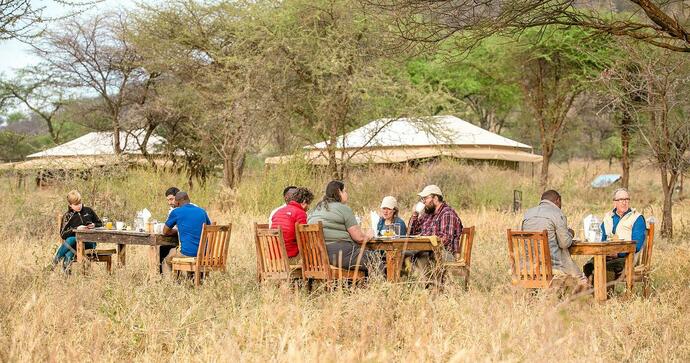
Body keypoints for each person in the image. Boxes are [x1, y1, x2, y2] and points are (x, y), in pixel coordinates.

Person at [307, 180, 382, 274]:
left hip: (316, 256)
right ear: (339, 192)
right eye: (345, 191)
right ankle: (382, 287)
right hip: (338, 254)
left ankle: (355, 286)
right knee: (375, 258)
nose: (347, 194)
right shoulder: (343, 208)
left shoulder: (315, 210)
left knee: (364, 255)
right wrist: (369, 235)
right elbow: (359, 238)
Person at [522, 190, 588, 287]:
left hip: (529, 264)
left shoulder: (527, 214)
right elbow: (564, 243)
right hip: (552, 264)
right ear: (558, 200)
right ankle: (585, 298)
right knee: (581, 279)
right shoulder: (557, 213)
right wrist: (570, 233)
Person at [583, 188, 646, 281]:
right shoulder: (608, 217)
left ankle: (606, 295)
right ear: (615, 203)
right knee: (589, 266)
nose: (624, 202)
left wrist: (618, 254)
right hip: (606, 255)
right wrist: (606, 252)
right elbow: (601, 238)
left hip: (627, 258)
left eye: (626, 199)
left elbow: (637, 245)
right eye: (621, 200)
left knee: (606, 267)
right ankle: (594, 293)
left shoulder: (637, 218)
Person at [407, 185, 463, 261]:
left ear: (436, 198)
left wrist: (424, 238)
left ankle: (418, 271)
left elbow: (445, 240)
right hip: (426, 250)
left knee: (418, 258)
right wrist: (415, 214)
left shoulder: (447, 213)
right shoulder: (427, 215)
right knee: (403, 254)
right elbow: (411, 233)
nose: (423, 202)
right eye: (422, 199)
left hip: (444, 253)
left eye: (426, 198)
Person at [162, 191, 211, 275]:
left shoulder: (176, 212)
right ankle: (190, 279)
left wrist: (178, 230)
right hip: (204, 253)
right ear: (188, 199)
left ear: (177, 202)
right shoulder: (202, 211)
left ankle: (169, 284)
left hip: (187, 253)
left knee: (167, 259)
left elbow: (165, 231)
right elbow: (209, 229)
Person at [52, 190, 102, 271]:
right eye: (75, 204)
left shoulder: (88, 211)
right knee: (69, 253)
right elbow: (62, 234)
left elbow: (100, 223)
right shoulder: (67, 216)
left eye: (79, 203)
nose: (79, 206)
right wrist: (75, 229)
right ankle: (66, 278)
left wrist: (93, 225)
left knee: (71, 239)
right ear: (70, 205)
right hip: (74, 245)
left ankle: (53, 264)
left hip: (90, 243)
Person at [270, 187, 314, 264]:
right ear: (304, 202)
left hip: (274, 257)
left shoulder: (278, 211)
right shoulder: (301, 213)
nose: (308, 207)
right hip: (289, 257)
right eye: (308, 204)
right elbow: (304, 238)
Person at [159, 186, 181, 273]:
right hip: (202, 248)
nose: (169, 202)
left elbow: (165, 230)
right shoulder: (199, 209)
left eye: (171, 199)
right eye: (168, 200)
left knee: (163, 249)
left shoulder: (176, 211)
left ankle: (165, 280)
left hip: (186, 249)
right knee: (165, 247)